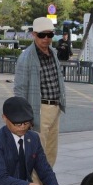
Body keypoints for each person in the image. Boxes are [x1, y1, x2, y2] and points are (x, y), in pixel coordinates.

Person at [13, 17, 67, 168]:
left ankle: (47, 180)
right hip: (39, 109)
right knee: (37, 154)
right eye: (42, 35)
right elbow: (20, 89)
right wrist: (25, 116)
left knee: (51, 152)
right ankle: (35, 183)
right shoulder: (27, 57)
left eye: (50, 35)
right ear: (34, 35)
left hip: (55, 108)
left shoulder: (53, 53)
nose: (46, 39)